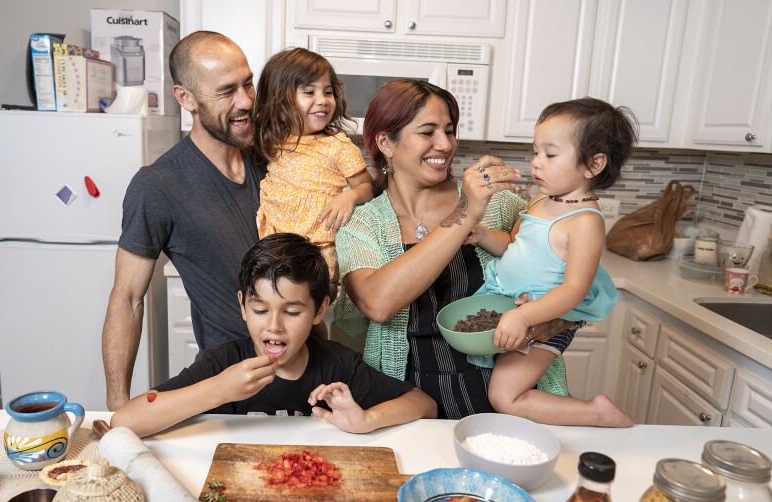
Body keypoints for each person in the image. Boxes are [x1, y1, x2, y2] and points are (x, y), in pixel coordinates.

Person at [334, 79, 574, 420]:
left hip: (507, 392)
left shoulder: (499, 206)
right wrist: (464, 214)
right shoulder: (362, 224)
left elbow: (570, 285)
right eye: (427, 132)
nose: (445, 145)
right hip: (410, 400)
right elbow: (377, 302)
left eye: (449, 130)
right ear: (386, 142)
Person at [110, 233, 437, 437]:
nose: (274, 326)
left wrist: (367, 419)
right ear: (242, 305)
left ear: (319, 310)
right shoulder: (222, 363)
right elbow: (125, 420)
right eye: (260, 309)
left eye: (292, 312)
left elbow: (424, 405)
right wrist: (218, 390)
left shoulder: (338, 364)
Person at [102, 31, 265, 411]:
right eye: (227, 91)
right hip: (227, 388)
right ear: (185, 98)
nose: (245, 101)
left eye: (248, 83)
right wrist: (117, 405)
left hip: (304, 375)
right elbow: (127, 298)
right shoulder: (158, 185)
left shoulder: (275, 161)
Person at [469, 97, 637, 427]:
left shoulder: (585, 221)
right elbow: (515, 246)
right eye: (535, 152)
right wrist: (483, 235)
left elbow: (575, 289)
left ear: (593, 164)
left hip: (543, 320)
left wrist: (524, 317)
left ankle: (595, 413)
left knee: (504, 396)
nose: (536, 163)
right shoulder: (540, 201)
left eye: (550, 154)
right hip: (514, 309)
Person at [253, 48, 374, 292]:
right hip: (276, 246)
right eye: (309, 92)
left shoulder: (338, 145)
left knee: (313, 306)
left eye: (328, 92)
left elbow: (367, 187)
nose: (323, 100)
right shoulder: (272, 141)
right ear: (280, 98)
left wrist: (349, 196)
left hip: (320, 248)